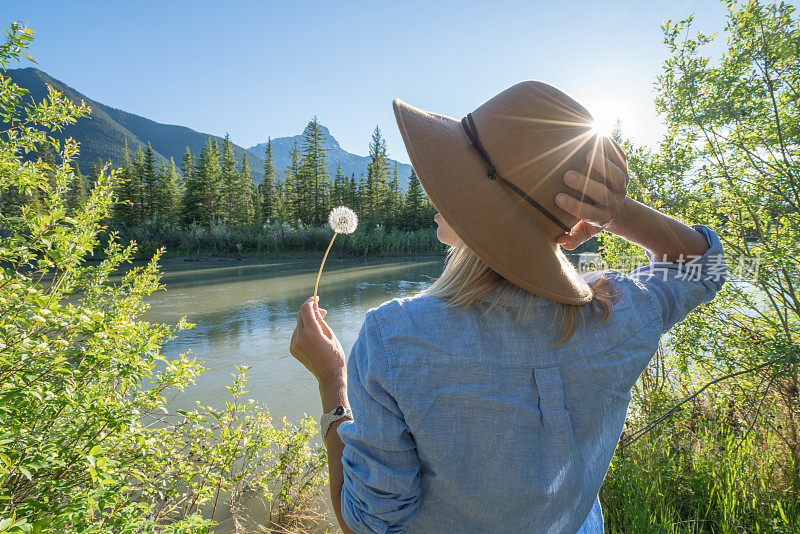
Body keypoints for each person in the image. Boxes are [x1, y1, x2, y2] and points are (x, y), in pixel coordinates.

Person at [289, 81, 727, 534]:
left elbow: (367, 525)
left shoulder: (394, 339)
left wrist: (332, 382)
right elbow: (705, 266)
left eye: (455, 173)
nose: (435, 184)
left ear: (480, 203)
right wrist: (612, 212)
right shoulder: (615, 314)